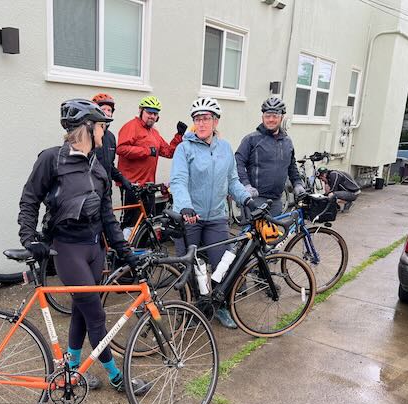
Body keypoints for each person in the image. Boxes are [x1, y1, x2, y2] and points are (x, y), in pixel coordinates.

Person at [17, 98, 148, 394]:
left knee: (81, 311)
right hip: (67, 249)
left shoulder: (99, 168)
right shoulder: (52, 159)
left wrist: (125, 251)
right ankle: (117, 376)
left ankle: (72, 371)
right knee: (97, 315)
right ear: (87, 128)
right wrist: (29, 237)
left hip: (94, 250)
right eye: (101, 127)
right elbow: (29, 199)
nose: (105, 133)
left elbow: (106, 217)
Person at [170, 97, 250, 329]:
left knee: (221, 264)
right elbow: (178, 180)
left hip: (215, 217)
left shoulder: (225, 148)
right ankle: (193, 309)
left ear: (215, 122)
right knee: (191, 267)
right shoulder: (184, 148)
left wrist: (247, 199)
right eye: (197, 119)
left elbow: (232, 180)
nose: (201, 123)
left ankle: (220, 306)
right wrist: (185, 205)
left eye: (206, 119)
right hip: (190, 217)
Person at [116, 96, 187, 237]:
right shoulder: (131, 126)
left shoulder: (154, 133)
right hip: (131, 184)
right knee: (130, 222)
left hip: (148, 185)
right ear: (141, 111)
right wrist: (147, 151)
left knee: (146, 222)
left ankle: (141, 252)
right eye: (149, 112)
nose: (152, 116)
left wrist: (179, 135)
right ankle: (123, 252)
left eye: (155, 114)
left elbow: (168, 152)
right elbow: (121, 148)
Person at [235, 97, 305, 217]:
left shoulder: (287, 142)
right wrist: (246, 185)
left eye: (275, 116)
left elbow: (291, 167)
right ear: (262, 117)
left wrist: (297, 183)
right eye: (267, 116)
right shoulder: (251, 139)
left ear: (281, 117)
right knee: (254, 234)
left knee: (273, 235)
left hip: (277, 200)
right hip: (255, 199)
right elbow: (238, 163)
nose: (271, 119)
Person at [91, 93, 133, 192]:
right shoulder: (87, 135)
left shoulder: (110, 137)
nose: (107, 112)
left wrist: (121, 178)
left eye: (109, 110)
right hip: (90, 192)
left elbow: (109, 165)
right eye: (103, 109)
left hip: (106, 191)